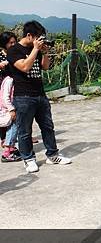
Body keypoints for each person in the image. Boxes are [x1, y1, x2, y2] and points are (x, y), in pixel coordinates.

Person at [7, 20, 71, 173]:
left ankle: (52, 155)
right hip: (23, 96)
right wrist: (35, 49)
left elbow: (46, 67)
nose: (39, 40)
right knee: (25, 131)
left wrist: (45, 51)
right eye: (38, 37)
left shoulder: (36, 49)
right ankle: (28, 159)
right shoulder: (14, 50)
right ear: (29, 35)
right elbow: (24, 67)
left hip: (40, 95)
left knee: (48, 127)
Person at [0, 32, 17, 146]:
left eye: (15, 42)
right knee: (4, 113)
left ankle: (10, 138)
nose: (13, 44)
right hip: (3, 85)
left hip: (11, 85)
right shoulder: (1, 55)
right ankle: (4, 138)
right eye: (11, 42)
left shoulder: (15, 53)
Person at [0, 70, 21, 162]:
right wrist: (11, 109)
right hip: (9, 109)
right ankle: (7, 152)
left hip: (10, 108)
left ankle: (11, 148)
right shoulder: (9, 80)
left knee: (13, 128)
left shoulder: (9, 79)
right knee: (13, 129)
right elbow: (5, 97)